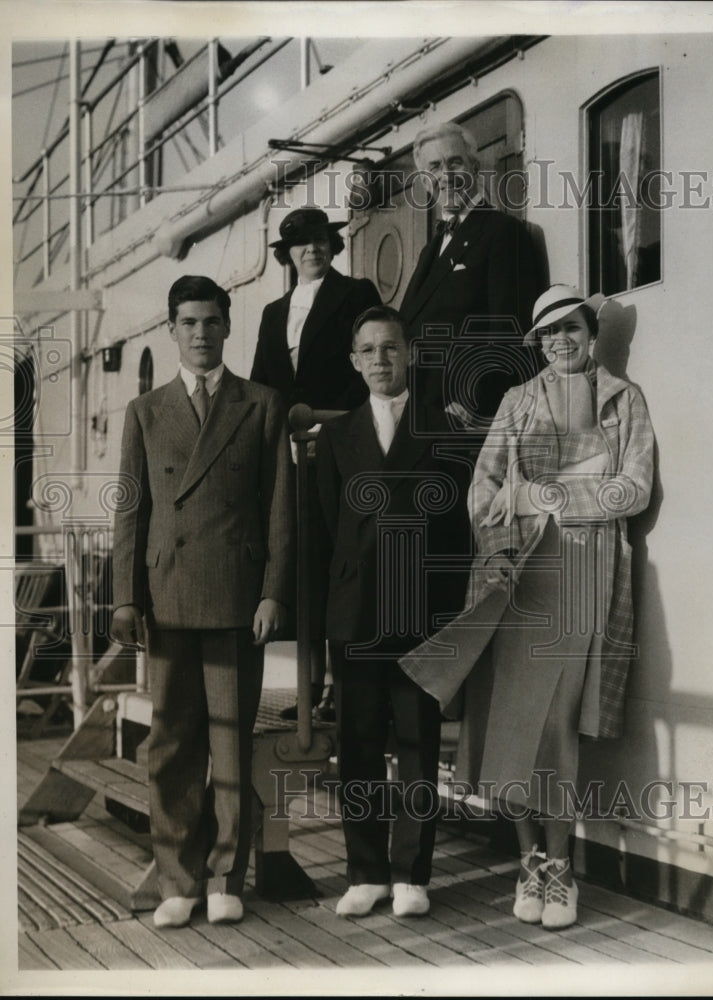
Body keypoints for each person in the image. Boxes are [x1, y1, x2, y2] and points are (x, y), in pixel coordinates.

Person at [400, 284, 655, 929]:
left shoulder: (623, 399)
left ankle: (561, 868)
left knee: (558, 725)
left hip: (583, 575)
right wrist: (517, 517)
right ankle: (527, 861)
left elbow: (634, 488)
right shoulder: (516, 401)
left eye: (569, 329)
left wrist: (550, 495)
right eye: (547, 334)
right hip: (518, 573)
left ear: (590, 333)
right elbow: (483, 489)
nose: (559, 341)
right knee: (512, 719)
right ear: (537, 344)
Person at [110, 275, 295, 929]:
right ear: (171, 329)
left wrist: (274, 590)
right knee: (171, 743)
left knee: (231, 744)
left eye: (211, 321)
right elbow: (130, 511)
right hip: (167, 597)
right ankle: (177, 881)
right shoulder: (145, 412)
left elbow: (280, 511)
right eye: (188, 322)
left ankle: (224, 878)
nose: (200, 333)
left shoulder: (261, 404)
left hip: (237, 599)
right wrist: (124, 598)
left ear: (226, 326)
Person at [316, 305, 471, 918]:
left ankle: (411, 874)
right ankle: (366, 873)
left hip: (419, 613)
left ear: (408, 354)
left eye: (391, 348)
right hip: (355, 614)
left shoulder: (441, 430)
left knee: (416, 745)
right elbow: (328, 529)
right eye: (369, 350)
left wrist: (447, 617)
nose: (381, 360)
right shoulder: (337, 436)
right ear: (355, 361)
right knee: (355, 743)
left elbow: (456, 533)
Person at [251, 207, 381, 721]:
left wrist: (331, 419)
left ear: (333, 246)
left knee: (340, 557)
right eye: (303, 243)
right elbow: (264, 381)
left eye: (322, 240)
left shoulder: (357, 294)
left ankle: (341, 690)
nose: (314, 249)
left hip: (343, 441)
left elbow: (365, 362)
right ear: (288, 254)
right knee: (303, 561)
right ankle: (309, 685)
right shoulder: (272, 311)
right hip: (293, 452)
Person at [399, 120, 543, 431]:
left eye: (455, 163)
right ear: (425, 182)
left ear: (475, 167)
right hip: (423, 417)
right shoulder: (431, 250)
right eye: (435, 167)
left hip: (468, 419)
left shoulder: (502, 232)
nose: (446, 176)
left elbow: (509, 332)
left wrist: (474, 405)